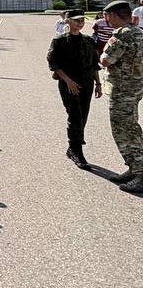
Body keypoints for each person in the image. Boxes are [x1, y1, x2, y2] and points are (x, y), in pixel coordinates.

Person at [46, 9, 101, 170]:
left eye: (82, 20)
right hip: (69, 84)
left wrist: (98, 83)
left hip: (87, 83)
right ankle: (76, 149)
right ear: (67, 21)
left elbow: (94, 64)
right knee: (75, 114)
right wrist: (68, 80)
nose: (80, 23)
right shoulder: (60, 41)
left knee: (83, 114)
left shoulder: (89, 41)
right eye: (76, 20)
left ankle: (73, 147)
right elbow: (53, 64)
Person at [100, 0, 143, 192]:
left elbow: (106, 60)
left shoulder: (121, 35)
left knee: (124, 130)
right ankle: (134, 168)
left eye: (107, 16)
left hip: (123, 90)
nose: (105, 19)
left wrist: (102, 57)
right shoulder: (139, 33)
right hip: (136, 87)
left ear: (115, 15)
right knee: (131, 127)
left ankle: (140, 173)